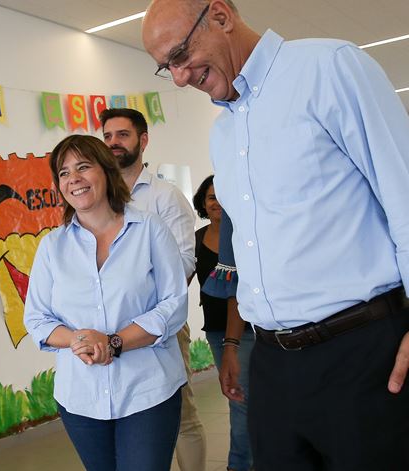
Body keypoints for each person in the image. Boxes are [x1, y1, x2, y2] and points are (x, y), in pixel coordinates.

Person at [143, 1, 409, 468]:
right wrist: (235, 345)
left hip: (360, 353)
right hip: (271, 364)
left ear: (221, 16)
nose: (180, 77)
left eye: (181, 54)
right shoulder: (224, 133)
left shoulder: (328, 69)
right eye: (169, 67)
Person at [24, 134, 187, 471]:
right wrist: (78, 340)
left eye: (83, 167)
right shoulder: (52, 246)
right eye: (64, 173)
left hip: (148, 391)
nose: (74, 179)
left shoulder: (149, 229)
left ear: (107, 171)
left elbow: (174, 304)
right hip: (80, 398)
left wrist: (114, 343)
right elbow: (37, 318)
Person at [100, 108, 206, 471]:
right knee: (123, 418)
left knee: (180, 412)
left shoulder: (164, 196)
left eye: (122, 135)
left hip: (160, 328)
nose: (114, 143)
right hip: (109, 330)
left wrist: (150, 310)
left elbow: (184, 264)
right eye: (108, 136)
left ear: (143, 141)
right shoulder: (100, 198)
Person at [192, 176, 253, 471]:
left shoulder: (243, 234)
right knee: (238, 398)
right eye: (210, 198)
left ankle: (240, 464)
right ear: (203, 204)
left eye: (220, 196)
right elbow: (180, 281)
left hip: (250, 329)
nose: (216, 203)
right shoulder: (197, 238)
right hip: (217, 329)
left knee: (246, 400)